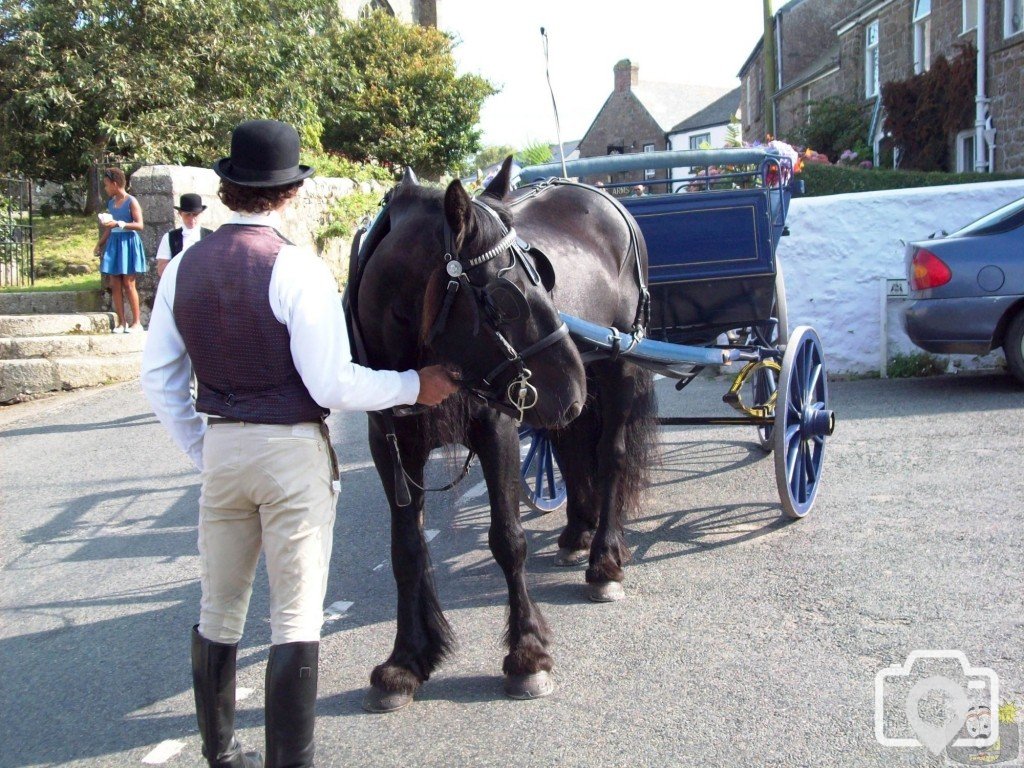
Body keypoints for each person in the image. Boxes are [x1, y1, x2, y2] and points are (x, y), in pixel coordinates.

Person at [140, 119, 458, 768]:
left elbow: (159, 378)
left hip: (223, 450)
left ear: (228, 190)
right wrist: (411, 384)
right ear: (289, 194)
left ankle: (222, 754)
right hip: (290, 454)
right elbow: (331, 381)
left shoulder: (181, 270)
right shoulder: (295, 268)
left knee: (219, 608)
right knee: (295, 618)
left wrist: (207, 451)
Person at [94, 168, 146, 332]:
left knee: (128, 283)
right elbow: (110, 228)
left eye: (107, 185)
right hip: (114, 243)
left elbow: (139, 225)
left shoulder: (131, 201)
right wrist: (100, 243)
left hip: (128, 242)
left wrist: (119, 224)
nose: (106, 188)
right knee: (114, 283)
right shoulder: (111, 203)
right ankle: (121, 322)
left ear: (115, 184)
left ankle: (136, 322)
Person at [156, 193, 213, 278]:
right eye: (187, 214)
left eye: (195, 214)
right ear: (180, 214)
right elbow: (161, 269)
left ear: (201, 214)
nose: (191, 219)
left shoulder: (211, 236)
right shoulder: (169, 237)